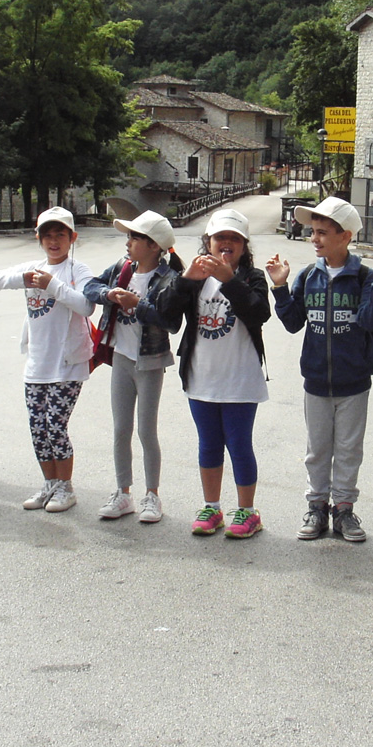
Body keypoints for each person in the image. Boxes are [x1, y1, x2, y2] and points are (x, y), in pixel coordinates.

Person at [266, 197, 373, 542]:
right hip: (316, 380)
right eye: (313, 231)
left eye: (323, 232)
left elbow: (370, 321)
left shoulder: (364, 276)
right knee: (318, 450)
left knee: (350, 449)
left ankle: (344, 510)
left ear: (345, 236)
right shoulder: (308, 276)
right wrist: (279, 287)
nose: (314, 238)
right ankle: (317, 507)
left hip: (354, 382)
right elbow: (293, 323)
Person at [157, 209, 271, 539]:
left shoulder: (252, 277)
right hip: (201, 377)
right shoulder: (195, 277)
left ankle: (247, 512)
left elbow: (259, 312)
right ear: (208, 241)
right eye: (220, 237)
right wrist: (185, 280)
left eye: (234, 238)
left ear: (244, 246)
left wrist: (229, 280)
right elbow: (166, 315)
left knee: (239, 444)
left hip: (240, 379)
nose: (226, 243)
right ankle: (212, 507)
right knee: (208, 444)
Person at [0, 207, 94, 513]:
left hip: (68, 365)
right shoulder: (33, 268)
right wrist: (23, 278)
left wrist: (52, 285)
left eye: (60, 235)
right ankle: (49, 483)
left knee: (56, 426)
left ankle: (66, 487)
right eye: (47, 236)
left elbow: (86, 306)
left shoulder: (77, 270)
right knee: (38, 429)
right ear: (38, 239)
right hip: (37, 364)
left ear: (72, 237)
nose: (53, 242)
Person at [83, 211, 183, 523]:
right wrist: (108, 294)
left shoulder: (169, 279)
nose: (128, 243)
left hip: (150, 361)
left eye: (135, 238)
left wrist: (136, 304)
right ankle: (122, 492)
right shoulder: (121, 268)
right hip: (121, 357)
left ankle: (152, 495)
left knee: (146, 430)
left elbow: (171, 321)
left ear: (154, 245)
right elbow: (90, 286)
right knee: (121, 428)